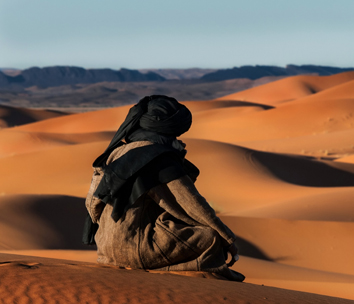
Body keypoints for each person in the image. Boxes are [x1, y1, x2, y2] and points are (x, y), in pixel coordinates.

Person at [82, 95, 244, 281]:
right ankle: (197, 278)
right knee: (210, 238)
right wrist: (227, 239)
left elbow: (92, 203)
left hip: (105, 252)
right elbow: (191, 204)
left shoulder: (116, 152)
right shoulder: (159, 158)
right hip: (139, 248)